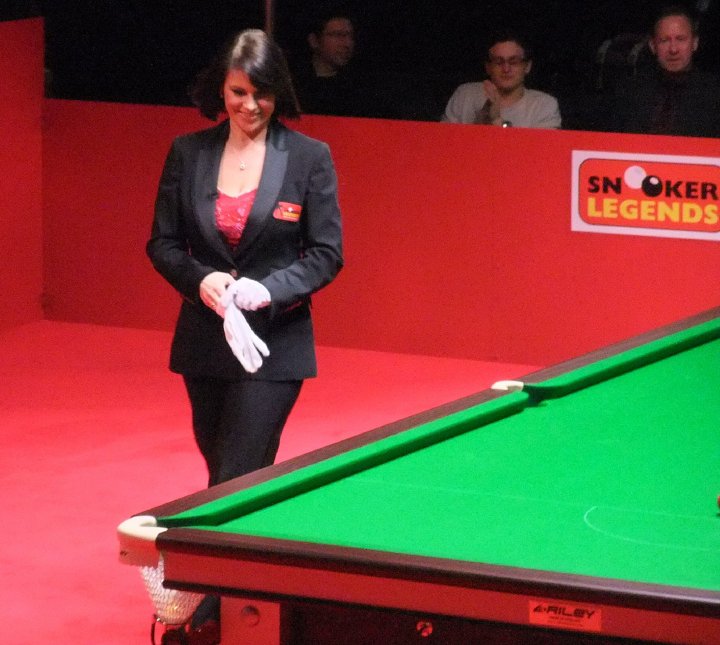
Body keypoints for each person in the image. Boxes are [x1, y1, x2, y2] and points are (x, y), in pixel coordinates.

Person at [146, 29, 343, 640]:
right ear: (221, 91)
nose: (250, 105)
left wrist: (270, 289)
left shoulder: (309, 157)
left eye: (262, 93)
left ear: (279, 93)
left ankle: (207, 611)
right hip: (205, 341)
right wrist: (202, 280)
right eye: (238, 92)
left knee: (237, 471)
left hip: (275, 343)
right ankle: (248, 589)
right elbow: (163, 244)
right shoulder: (187, 152)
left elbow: (326, 253)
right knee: (223, 468)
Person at [610, 5, 720, 137]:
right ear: (652, 46)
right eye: (664, 40)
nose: (673, 49)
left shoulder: (715, 94)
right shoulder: (629, 91)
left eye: (680, 39)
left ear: (695, 43)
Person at [442, 31, 561, 128]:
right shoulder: (465, 95)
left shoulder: (544, 105)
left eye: (513, 62)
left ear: (527, 66)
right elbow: (444, 141)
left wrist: (497, 120)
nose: (506, 69)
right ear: (488, 67)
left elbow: (541, 148)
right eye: (498, 62)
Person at [290, 8, 367, 116]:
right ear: (314, 41)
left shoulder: (360, 86)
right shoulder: (292, 81)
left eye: (351, 36)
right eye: (338, 35)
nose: (348, 44)